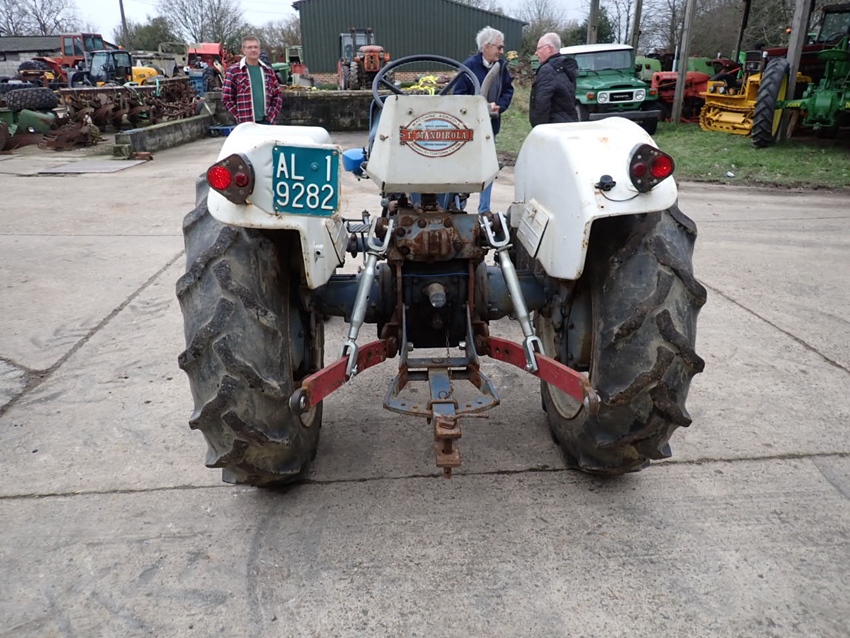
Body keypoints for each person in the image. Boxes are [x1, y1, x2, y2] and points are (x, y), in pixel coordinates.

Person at [454, 26, 514, 214]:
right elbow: (458, 95)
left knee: (488, 168)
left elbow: (508, 90)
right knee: (463, 167)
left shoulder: (501, 67)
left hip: (490, 127)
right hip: (468, 129)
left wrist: (499, 106)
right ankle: (457, 206)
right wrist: (477, 107)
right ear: (486, 46)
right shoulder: (468, 66)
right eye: (499, 47)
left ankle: (484, 209)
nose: (502, 51)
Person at [221, 35, 283, 125]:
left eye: (256, 47)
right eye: (249, 47)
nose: (253, 50)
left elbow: (277, 95)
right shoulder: (233, 71)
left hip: (267, 123)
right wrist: (239, 116)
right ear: (243, 50)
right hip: (245, 124)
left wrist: (270, 116)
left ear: (259, 50)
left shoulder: (268, 71)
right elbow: (227, 98)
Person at [529, 33, 579, 127]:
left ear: (548, 48)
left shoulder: (547, 70)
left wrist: (538, 127)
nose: (536, 53)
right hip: (569, 123)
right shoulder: (565, 67)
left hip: (553, 127)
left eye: (539, 49)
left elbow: (542, 103)